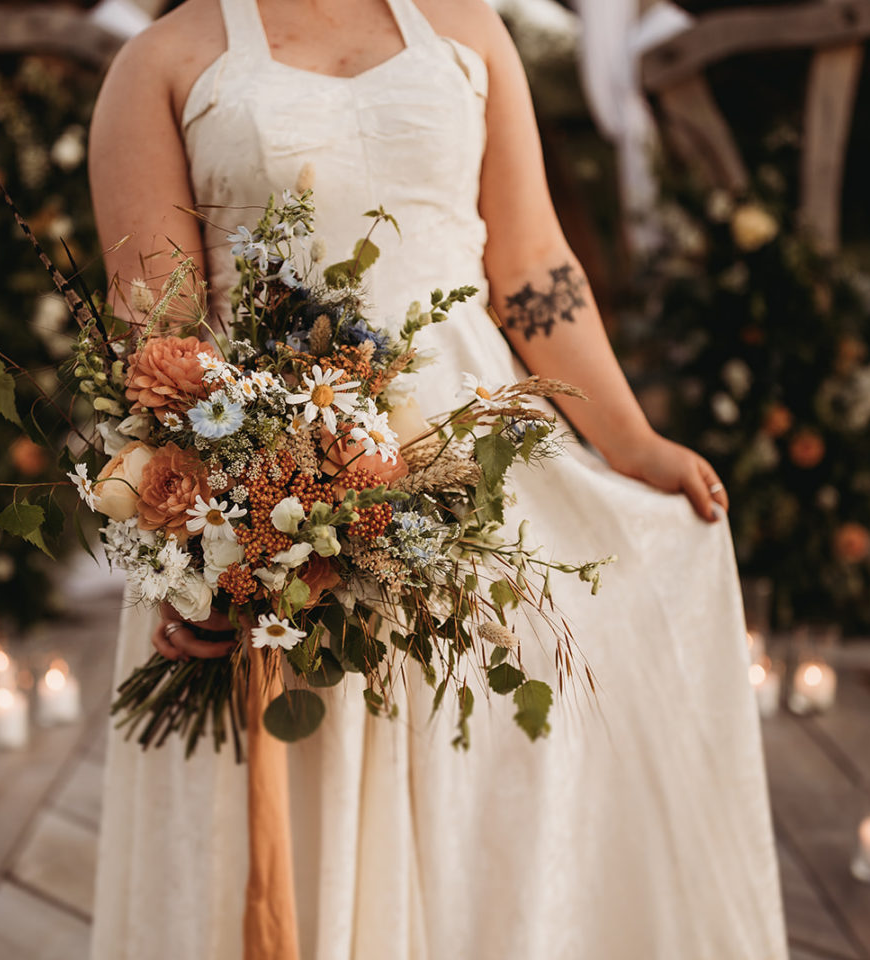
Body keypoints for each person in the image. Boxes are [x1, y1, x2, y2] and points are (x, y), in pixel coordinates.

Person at [85, 0, 788, 956]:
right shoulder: (161, 60)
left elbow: (532, 263)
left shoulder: (469, 27)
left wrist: (631, 444)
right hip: (275, 480)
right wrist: (213, 547)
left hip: (484, 461)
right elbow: (160, 337)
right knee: (307, 757)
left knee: (504, 774)